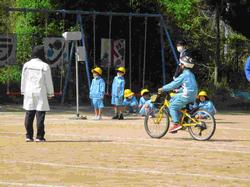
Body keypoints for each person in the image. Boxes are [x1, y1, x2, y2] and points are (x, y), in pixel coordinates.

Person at [21, 45, 54, 142]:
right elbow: (48, 81)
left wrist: (23, 90)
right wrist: (50, 93)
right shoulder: (44, 66)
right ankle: (39, 137)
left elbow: (23, 79)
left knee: (29, 113)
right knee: (40, 114)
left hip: (28, 91)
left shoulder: (26, 65)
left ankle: (28, 136)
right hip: (40, 91)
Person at [158, 55, 198, 133]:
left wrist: (163, 88)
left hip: (187, 95)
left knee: (172, 106)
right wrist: (178, 91)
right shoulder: (191, 74)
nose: (179, 65)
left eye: (181, 64)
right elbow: (189, 86)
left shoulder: (183, 75)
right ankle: (184, 119)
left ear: (183, 65)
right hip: (193, 94)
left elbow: (173, 84)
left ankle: (176, 124)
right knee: (174, 98)